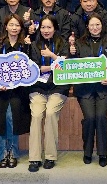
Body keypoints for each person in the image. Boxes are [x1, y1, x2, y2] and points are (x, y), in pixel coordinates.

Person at [72, 14, 107, 165]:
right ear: (87, 27)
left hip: (105, 89)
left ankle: (103, 153)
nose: (95, 27)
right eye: (92, 25)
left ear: (102, 26)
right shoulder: (79, 43)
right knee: (90, 118)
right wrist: (71, 53)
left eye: (97, 24)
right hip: (85, 89)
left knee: (101, 117)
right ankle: (87, 151)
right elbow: (71, 65)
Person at [27, 15, 67, 172]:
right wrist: (54, 66)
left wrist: (52, 56)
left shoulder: (63, 43)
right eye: (43, 27)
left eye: (49, 27)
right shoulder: (34, 45)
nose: (46, 30)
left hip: (58, 87)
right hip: (38, 88)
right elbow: (33, 69)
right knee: (37, 115)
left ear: (55, 28)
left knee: (50, 113)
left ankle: (50, 156)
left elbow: (66, 66)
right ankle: (34, 158)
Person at [0, 14, 30, 168]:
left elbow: (30, 70)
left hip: (19, 90)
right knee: (1, 118)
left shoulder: (25, 46)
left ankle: (13, 152)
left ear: (21, 28)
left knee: (11, 117)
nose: (14, 28)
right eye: (11, 25)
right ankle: (2, 153)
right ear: (5, 27)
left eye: (17, 25)